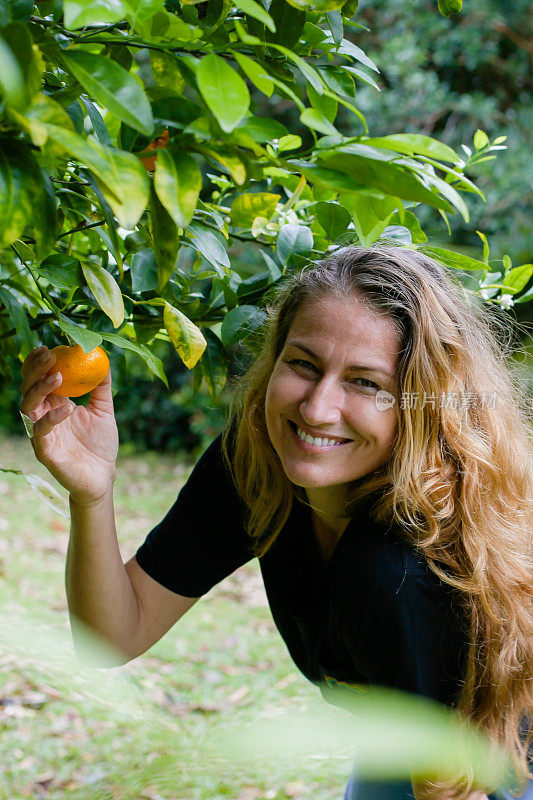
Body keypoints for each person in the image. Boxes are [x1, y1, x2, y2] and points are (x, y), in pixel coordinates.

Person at [19, 245, 532, 800]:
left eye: (365, 382)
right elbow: (114, 636)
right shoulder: (255, 465)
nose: (316, 408)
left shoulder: (404, 565)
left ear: (421, 401)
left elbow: (450, 787)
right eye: (304, 364)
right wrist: (92, 495)